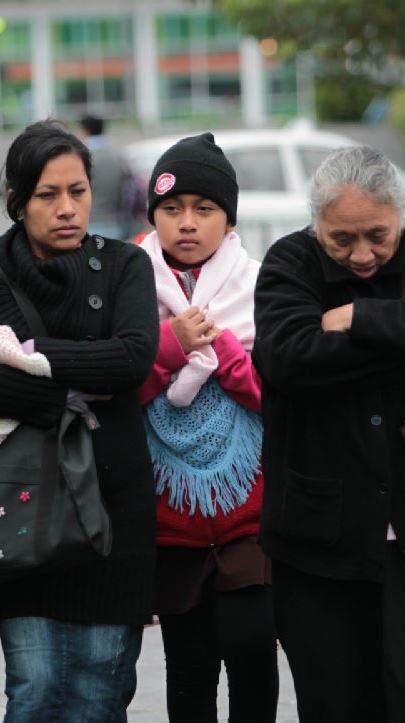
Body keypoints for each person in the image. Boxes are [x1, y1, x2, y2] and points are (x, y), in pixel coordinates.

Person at [252, 145, 405, 722]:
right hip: (317, 545)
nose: (362, 256)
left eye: (377, 236)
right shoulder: (289, 263)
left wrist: (357, 319)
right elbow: (289, 358)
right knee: (334, 706)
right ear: (316, 227)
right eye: (341, 239)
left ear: (400, 217)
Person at [0, 120, 159, 721]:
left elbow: (132, 359)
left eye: (78, 191)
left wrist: (28, 355)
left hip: (111, 510)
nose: (67, 209)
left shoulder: (125, 266)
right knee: (35, 688)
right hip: (21, 507)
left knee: (98, 692)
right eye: (47, 195)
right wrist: (74, 393)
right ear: (17, 200)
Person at [137, 133, 278, 722]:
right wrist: (171, 346)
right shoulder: (129, 284)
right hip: (171, 523)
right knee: (189, 672)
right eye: (172, 209)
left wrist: (221, 352)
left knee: (252, 660)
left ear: (229, 218)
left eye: (205, 209)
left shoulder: (260, 286)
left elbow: (278, 397)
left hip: (250, 516)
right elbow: (119, 391)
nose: (187, 223)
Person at [77, 114, 138, 241]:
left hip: (88, 223)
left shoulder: (81, 159)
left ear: (85, 131)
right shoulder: (118, 157)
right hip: (116, 224)